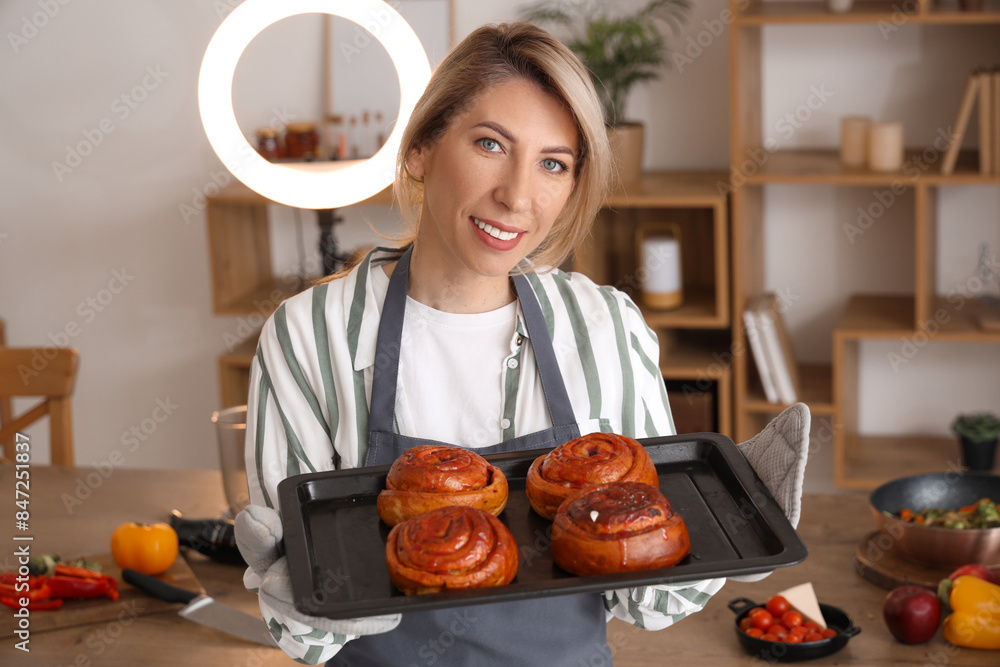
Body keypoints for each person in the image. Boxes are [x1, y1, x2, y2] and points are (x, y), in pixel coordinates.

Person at [235, 21, 809, 666]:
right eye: (489, 144)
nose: (517, 196)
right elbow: (308, 634)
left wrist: (732, 521)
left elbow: (646, 605)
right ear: (421, 148)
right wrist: (296, 605)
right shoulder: (312, 336)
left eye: (553, 163)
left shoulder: (605, 327)